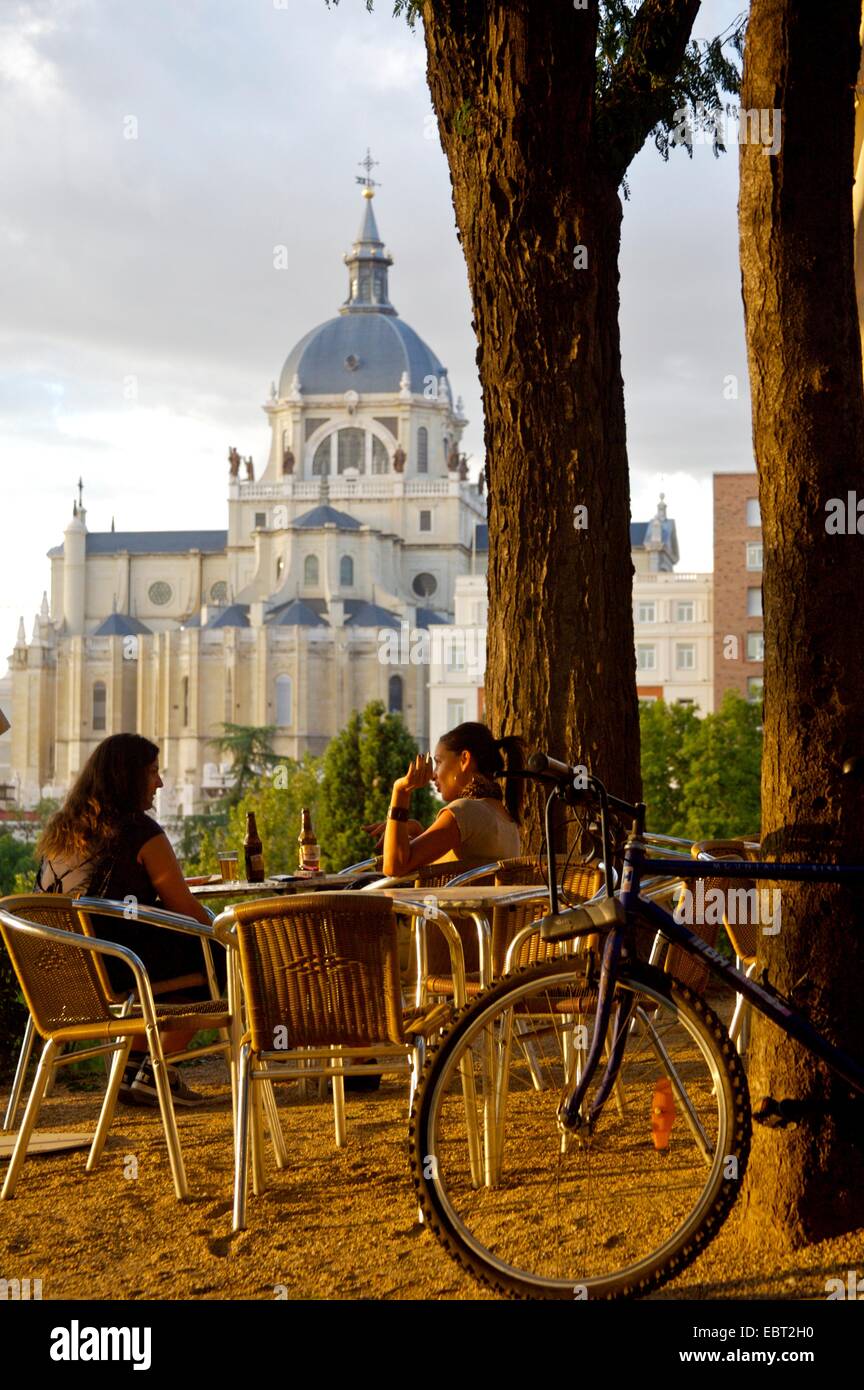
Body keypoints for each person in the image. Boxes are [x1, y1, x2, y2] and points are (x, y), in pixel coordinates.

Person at [35, 733, 220, 1108]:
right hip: (121, 967)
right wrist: (224, 933)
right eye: (153, 772)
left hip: (66, 970)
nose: (160, 783)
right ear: (128, 777)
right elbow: (189, 913)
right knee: (222, 958)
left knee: (190, 958)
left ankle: (133, 1065)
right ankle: (155, 1069)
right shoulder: (141, 833)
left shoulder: (62, 833)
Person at [371, 722, 523, 878]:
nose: (433, 774)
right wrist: (416, 830)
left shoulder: (465, 810)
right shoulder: (503, 816)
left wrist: (401, 790)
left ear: (464, 759)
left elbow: (394, 866)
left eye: (438, 762)